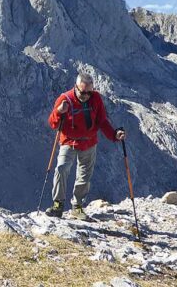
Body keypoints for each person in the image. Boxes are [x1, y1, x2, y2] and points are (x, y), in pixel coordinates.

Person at [46, 72, 125, 220]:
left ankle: (77, 206)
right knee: (61, 169)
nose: (86, 96)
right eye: (83, 92)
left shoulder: (95, 99)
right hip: (69, 141)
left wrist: (114, 135)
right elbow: (52, 123)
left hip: (89, 143)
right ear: (76, 87)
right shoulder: (65, 100)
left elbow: (102, 121)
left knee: (84, 176)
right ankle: (58, 204)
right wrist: (58, 112)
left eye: (89, 92)